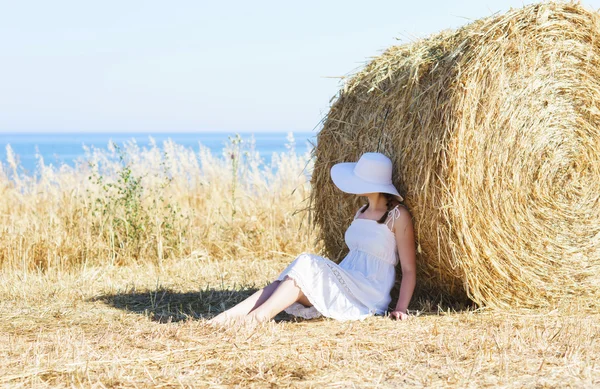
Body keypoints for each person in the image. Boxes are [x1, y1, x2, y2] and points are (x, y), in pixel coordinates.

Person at [208, 152, 416, 327]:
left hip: (369, 290)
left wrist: (400, 309)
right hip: (348, 277)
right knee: (290, 278)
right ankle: (225, 318)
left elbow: (408, 269)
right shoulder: (361, 211)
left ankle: (255, 320)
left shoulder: (398, 215)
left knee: (306, 263)